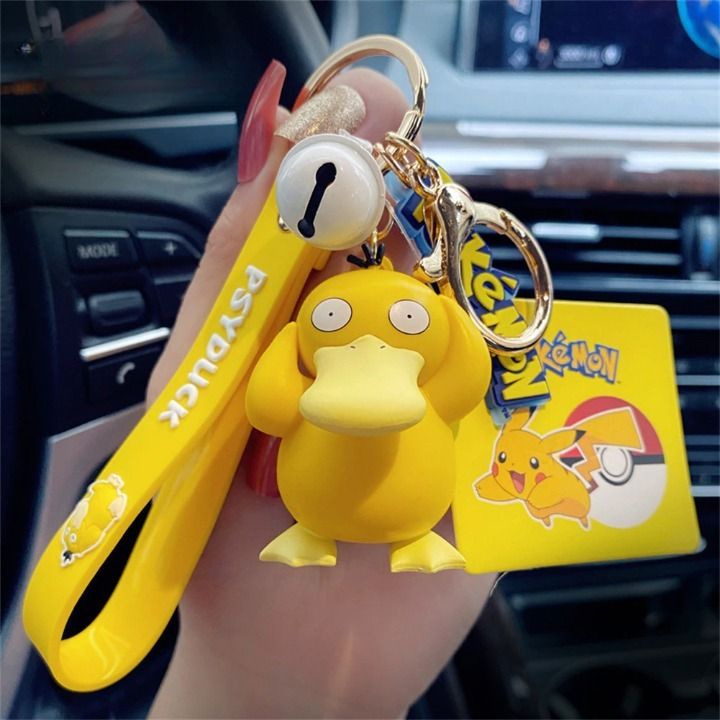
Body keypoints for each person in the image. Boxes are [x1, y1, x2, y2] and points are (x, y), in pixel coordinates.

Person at [148, 62, 495, 719]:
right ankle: (324, 533)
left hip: (409, 513)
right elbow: (270, 403)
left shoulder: (427, 350)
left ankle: (412, 535)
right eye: (327, 320)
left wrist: (456, 327)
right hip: (309, 516)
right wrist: (247, 680)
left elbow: (462, 382)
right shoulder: (304, 340)